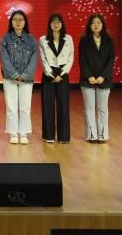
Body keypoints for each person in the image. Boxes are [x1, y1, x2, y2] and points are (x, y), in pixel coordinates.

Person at [0, 10, 37, 145]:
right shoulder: (5, 38)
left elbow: (33, 60)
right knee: (11, 107)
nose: (18, 22)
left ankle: (24, 133)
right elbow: (4, 59)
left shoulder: (31, 40)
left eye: (21, 19)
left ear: (25, 22)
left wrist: (25, 75)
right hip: (10, 78)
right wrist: (15, 74)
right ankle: (13, 133)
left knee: (25, 107)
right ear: (11, 22)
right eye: (15, 19)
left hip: (26, 79)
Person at [79, 13, 115, 144]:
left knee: (102, 107)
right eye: (93, 23)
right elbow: (82, 59)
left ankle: (101, 134)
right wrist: (89, 76)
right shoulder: (84, 40)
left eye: (98, 23)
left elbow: (111, 60)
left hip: (104, 79)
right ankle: (91, 134)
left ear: (103, 25)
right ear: (89, 25)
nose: (96, 25)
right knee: (89, 107)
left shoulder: (109, 40)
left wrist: (103, 76)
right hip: (87, 79)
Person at [39, 13, 74, 144]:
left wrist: (62, 74)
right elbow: (42, 59)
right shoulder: (43, 39)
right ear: (49, 24)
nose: (56, 24)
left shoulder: (68, 38)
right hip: (49, 74)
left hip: (63, 74)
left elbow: (70, 57)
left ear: (62, 24)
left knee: (63, 105)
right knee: (47, 105)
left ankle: (63, 136)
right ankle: (49, 136)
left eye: (58, 22)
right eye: (53, 22)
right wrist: (51, 74)